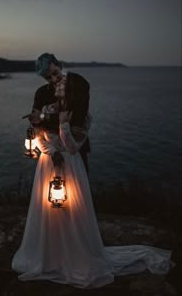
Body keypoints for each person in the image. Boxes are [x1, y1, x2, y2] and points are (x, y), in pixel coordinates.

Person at [11, 74, 173, 289]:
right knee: (46, 209)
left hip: (70, 164)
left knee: (70, 208)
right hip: (47, 162)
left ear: (72, 92)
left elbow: (72, 147)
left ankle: (74, 254)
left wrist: (64, 125)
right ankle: (49, 253)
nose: (57, 85)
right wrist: (44, 146)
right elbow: (39, 132)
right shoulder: (48, 108)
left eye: (63, 84)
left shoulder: (84, 117)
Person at [29, 53, 90, 174]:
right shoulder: (41, 93)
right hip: (50, 154)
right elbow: (36, 126)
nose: (53, 79)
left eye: (55, 73)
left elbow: (76, 121)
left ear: (59, 65)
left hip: (75, 151)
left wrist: (44, 117)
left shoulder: (78, 84)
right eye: (48, 78)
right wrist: (52, 152)